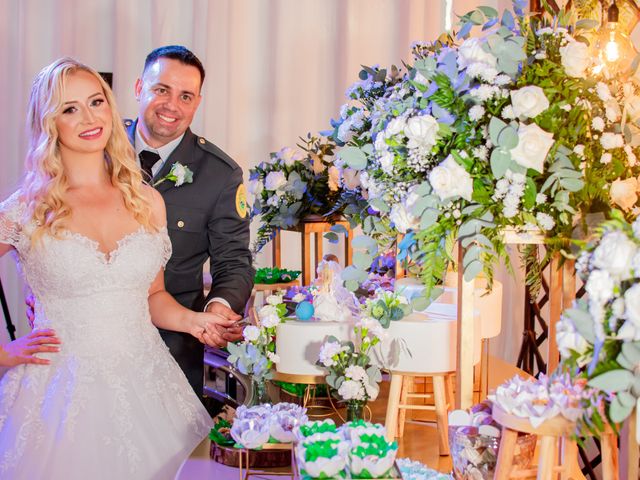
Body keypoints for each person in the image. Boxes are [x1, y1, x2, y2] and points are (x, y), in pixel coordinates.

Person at [0, 58, 234, 479]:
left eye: (95, 102)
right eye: (69, 109)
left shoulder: (146, 200)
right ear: (49, 121)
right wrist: (2, 354)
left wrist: (196, 321)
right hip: (58, 396)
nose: (89, 118)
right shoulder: (24, 209)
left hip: (150, 385)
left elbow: (152, 296)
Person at [125, 45, 254, 396]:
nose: (172, 106)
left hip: (174, 345)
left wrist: (217, 308)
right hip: (92, 337)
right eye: (161, 90)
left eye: (185, 96)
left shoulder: (220, 174)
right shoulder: (95, 150)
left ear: (197, 102)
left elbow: (234, 261)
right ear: (139, 88)